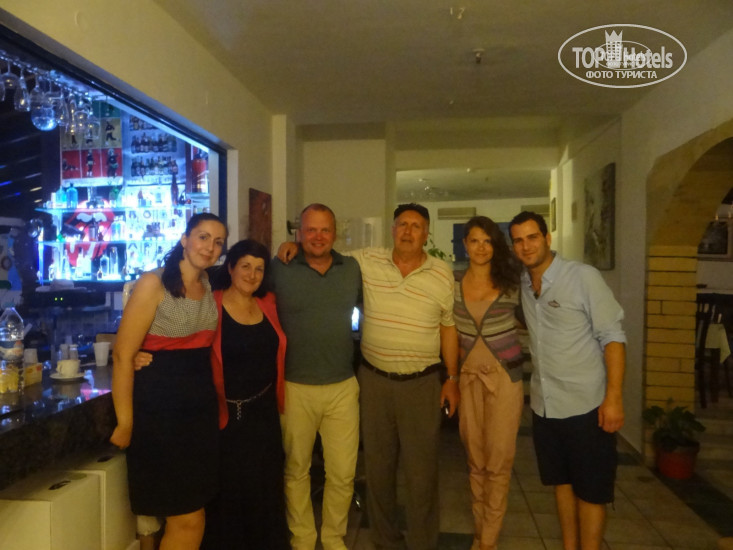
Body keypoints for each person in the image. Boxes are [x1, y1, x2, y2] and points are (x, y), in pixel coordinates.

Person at [508, 211, 626, 550]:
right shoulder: (524, 285)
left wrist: (614, 397)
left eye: (532, 237)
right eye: (518, 240)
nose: (526, 246)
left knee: (591, 491)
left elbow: (613, 337)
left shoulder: (582, 277)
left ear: (547, 238)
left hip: (586, 406)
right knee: (561, 484)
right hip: (545, 406)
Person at [110, 212, 227, 550]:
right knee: (187, 518)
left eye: (218, 242)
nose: (210, 247)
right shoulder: (153, 283)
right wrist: (125, 422)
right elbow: (122, 354)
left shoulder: (208, 283)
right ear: (184, 239)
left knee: (194, 512)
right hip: (160, 415)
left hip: (198, 415)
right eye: (203, 237)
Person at [270, 203, 362, 550]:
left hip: (342, 386)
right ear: (299, 233)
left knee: (343, 472)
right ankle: (303, 540)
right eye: (311, 229)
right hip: (295, 386)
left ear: (335, 234)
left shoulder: (352, 268)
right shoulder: (280, 268)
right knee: (296, 470)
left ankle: (334, 539)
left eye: (325, 230)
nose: (318, 236)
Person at [203, 239, 290, 549]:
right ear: (230, 268)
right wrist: (142, 353)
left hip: (263, 413)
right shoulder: (209, 304)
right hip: (223, 416)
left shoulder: (268, 303)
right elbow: (182, 342)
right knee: (227, 494)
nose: (252, 275)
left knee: (264, 490)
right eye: (245, 266)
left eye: (259, 269)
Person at [453, 216, 525, 550]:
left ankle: (488, 541)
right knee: (475, 460)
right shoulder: (452, 284)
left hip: (505, 378)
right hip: (468, 379)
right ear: (465, 245)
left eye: (487, 241)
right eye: (474, 241)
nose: (481, 248)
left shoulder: (513, 282)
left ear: (495, 245)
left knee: (498, 461)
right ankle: (480, 532)